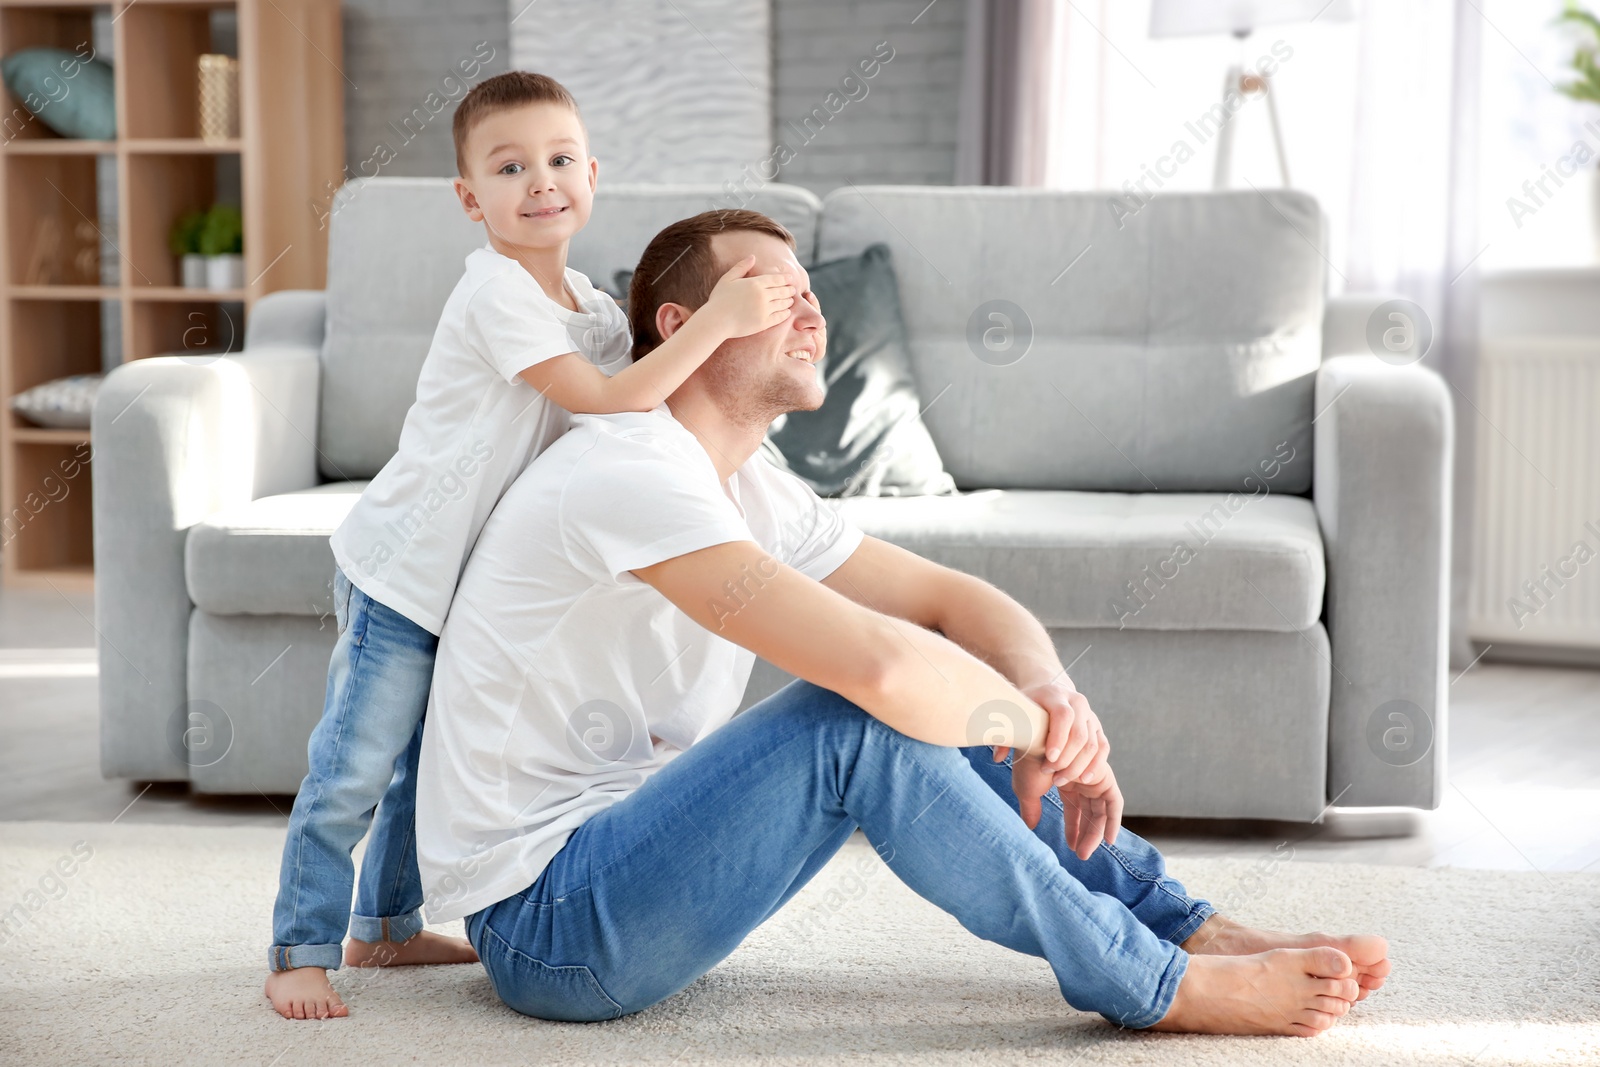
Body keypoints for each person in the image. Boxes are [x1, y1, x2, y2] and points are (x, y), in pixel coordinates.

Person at [413, 208, 1393, 1038]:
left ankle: (1181, 926)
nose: (807, 307)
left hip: (626, 865)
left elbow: (955, 602)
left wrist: (1049, 695)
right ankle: (1150, 979)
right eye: (768, 287)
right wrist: (1034, 730)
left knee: (930, 694)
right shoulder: (627, 468)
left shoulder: (746, 481)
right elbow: (880, 667)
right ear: (685, 324)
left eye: (809, 289)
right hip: (549, 926)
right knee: (856, 720)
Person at [264, 72, 798, 1021]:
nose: (540, 181)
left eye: (559, 161)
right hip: (404, 570)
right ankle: (299, 945)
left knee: (427, 758)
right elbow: (605, 400)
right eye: (511, 168)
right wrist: (716, 319)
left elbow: (648, 389)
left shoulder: (589, 306)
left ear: (591, 174)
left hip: (466, 580)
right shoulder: (496, 294)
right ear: (472, 199)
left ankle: (385, 922)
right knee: (354, 763)